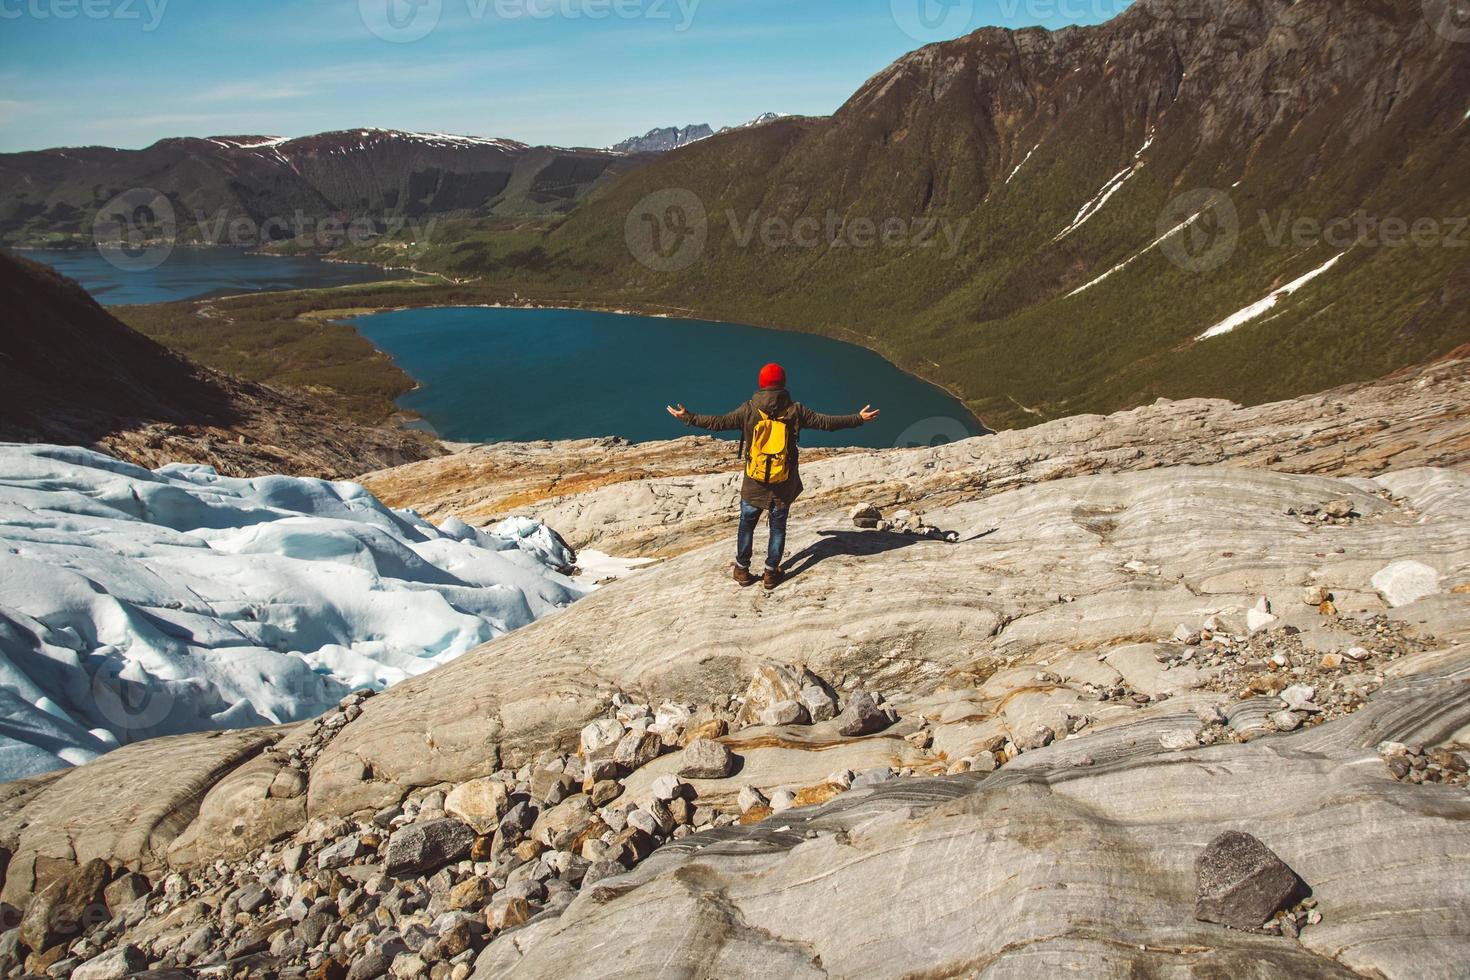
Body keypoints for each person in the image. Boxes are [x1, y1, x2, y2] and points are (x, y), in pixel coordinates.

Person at [667, 362, 879, 589]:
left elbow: (718, 423)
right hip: (783, 482)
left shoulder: (748, 409)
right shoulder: (795, 410)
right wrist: (858, 418)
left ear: (761, 384)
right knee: (778, 527)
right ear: (783, 384)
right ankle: (770, 573)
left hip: (754, 481)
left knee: (746, 524)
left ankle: (742, 570)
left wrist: (688, 417)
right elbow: (826, 423)